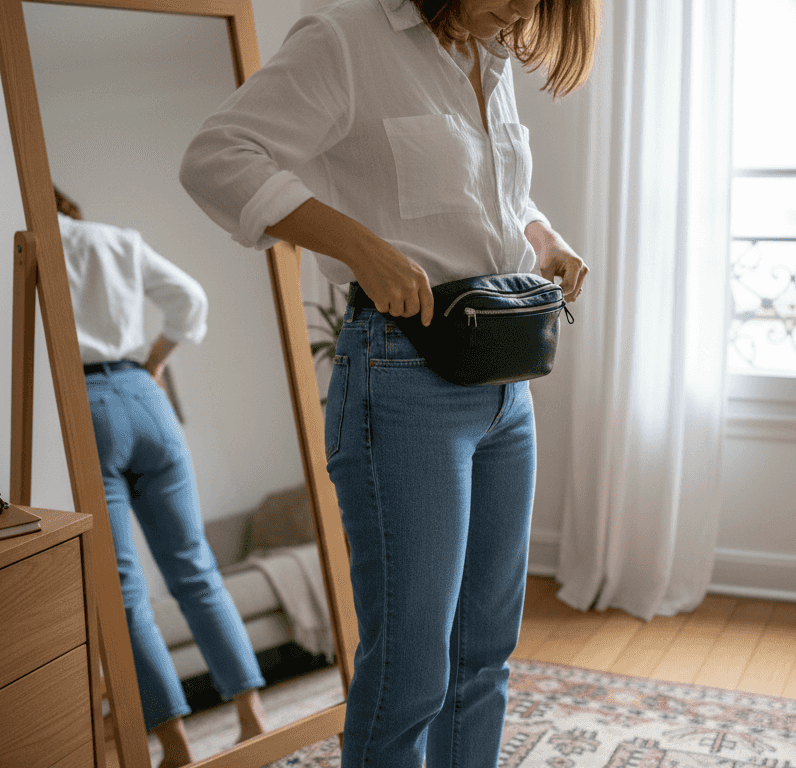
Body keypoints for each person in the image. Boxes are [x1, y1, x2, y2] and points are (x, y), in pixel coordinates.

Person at [179, 0, 598, 765]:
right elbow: (217, 157)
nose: (520, 9)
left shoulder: (488, 54)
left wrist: (544, 238)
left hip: (507, 382)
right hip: (404, 379)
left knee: (484, 655)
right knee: (410, 671)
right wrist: (361, 248)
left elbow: (483, 197)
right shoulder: (346, 39)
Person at [55, 188, 269, 768]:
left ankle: (175, 747)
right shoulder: (116, 240)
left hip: (86, 402)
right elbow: (190, 299)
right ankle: (252, 719)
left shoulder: (31, 251)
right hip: (145, 395)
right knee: (196, 569)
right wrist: (156, 358)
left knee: (124, 592)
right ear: (69, 206)